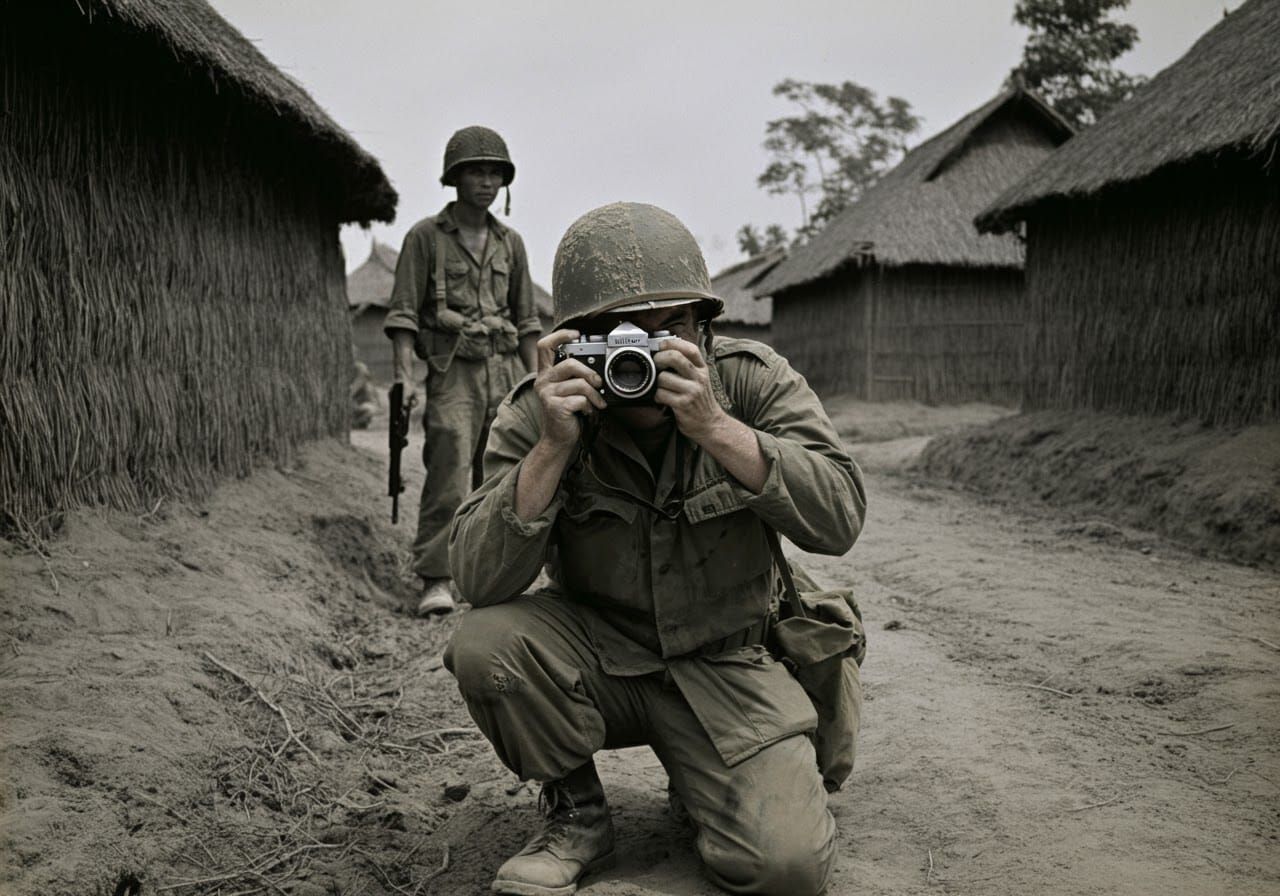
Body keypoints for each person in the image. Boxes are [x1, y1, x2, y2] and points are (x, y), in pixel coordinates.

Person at [444, 202, 867, 896]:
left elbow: (841, 516)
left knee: (786, 871)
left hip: (728, 657)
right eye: (616, 337)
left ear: (705, 328)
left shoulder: (750, 383)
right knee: (486, 643)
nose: (641, 353)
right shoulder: (543, 409)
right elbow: (477, 577)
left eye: (669, 329)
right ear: (574, 342)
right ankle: (577, 815)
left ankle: (706, 785)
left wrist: (715, 428)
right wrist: (553, 447)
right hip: (602, 654)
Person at [383, 126, 539, 616]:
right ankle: (436, 577)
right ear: (455, 178)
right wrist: (406, 378)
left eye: (495, 173)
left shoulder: (510, 243)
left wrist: (537, 383)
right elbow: (404, 315)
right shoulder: (425, 238)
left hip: (504, 369)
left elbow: (528, 319)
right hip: (452, 371)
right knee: (449, 469)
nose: (487, 182)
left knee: (503, 474)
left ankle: (489, 574)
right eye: (476, 171)